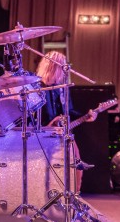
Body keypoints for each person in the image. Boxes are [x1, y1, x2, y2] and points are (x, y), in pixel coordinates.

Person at [36, 51, 97, 192]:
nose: (65, 70)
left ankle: (75, 194)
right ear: (53, 67)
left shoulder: (63, 89)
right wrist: (52, 122)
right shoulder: (37, 87)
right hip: (43, 135)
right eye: (62, 66)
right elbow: (35, 116)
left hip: (62, 133)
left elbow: (69, 111)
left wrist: (86, 116)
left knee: (77, 163)